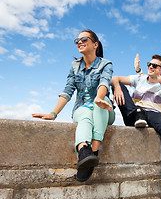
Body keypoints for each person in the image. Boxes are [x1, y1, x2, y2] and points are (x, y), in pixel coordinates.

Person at [32, 29, 115, 182]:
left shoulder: (106, 64)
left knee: (99, 106)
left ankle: (93, 152)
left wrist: (98, 98)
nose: (79, 42)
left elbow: (104, 82)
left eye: (84, 39)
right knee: (84, 114)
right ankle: (84, 150)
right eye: (77, 40)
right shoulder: (75, 66)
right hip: (82, 108)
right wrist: (53, 113)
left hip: (104, 109)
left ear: (95, 44)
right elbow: (68, 91)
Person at [110, 54, 161, 199]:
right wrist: (116, 86)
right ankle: (136, 112)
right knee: (118, 85)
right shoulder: (139, 78)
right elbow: (115, 78)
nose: (151, 66)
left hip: (153, 114)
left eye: (155, 66)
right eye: (150, 64)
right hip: (133, 115)